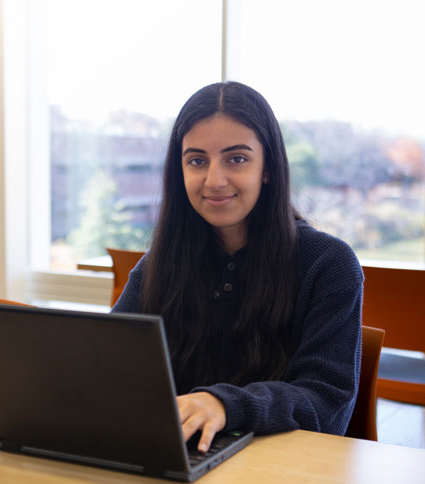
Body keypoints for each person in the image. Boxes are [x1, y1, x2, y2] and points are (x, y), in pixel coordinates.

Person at [112, 81, 363, 454]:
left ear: (267, 168)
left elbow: (326, 403)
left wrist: (225, 406)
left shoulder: (329, 265)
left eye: (237, 158)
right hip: (179, 463)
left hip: (282, 471)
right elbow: (109, 368)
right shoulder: (157, 266)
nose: (214, 180)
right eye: (197, 160)